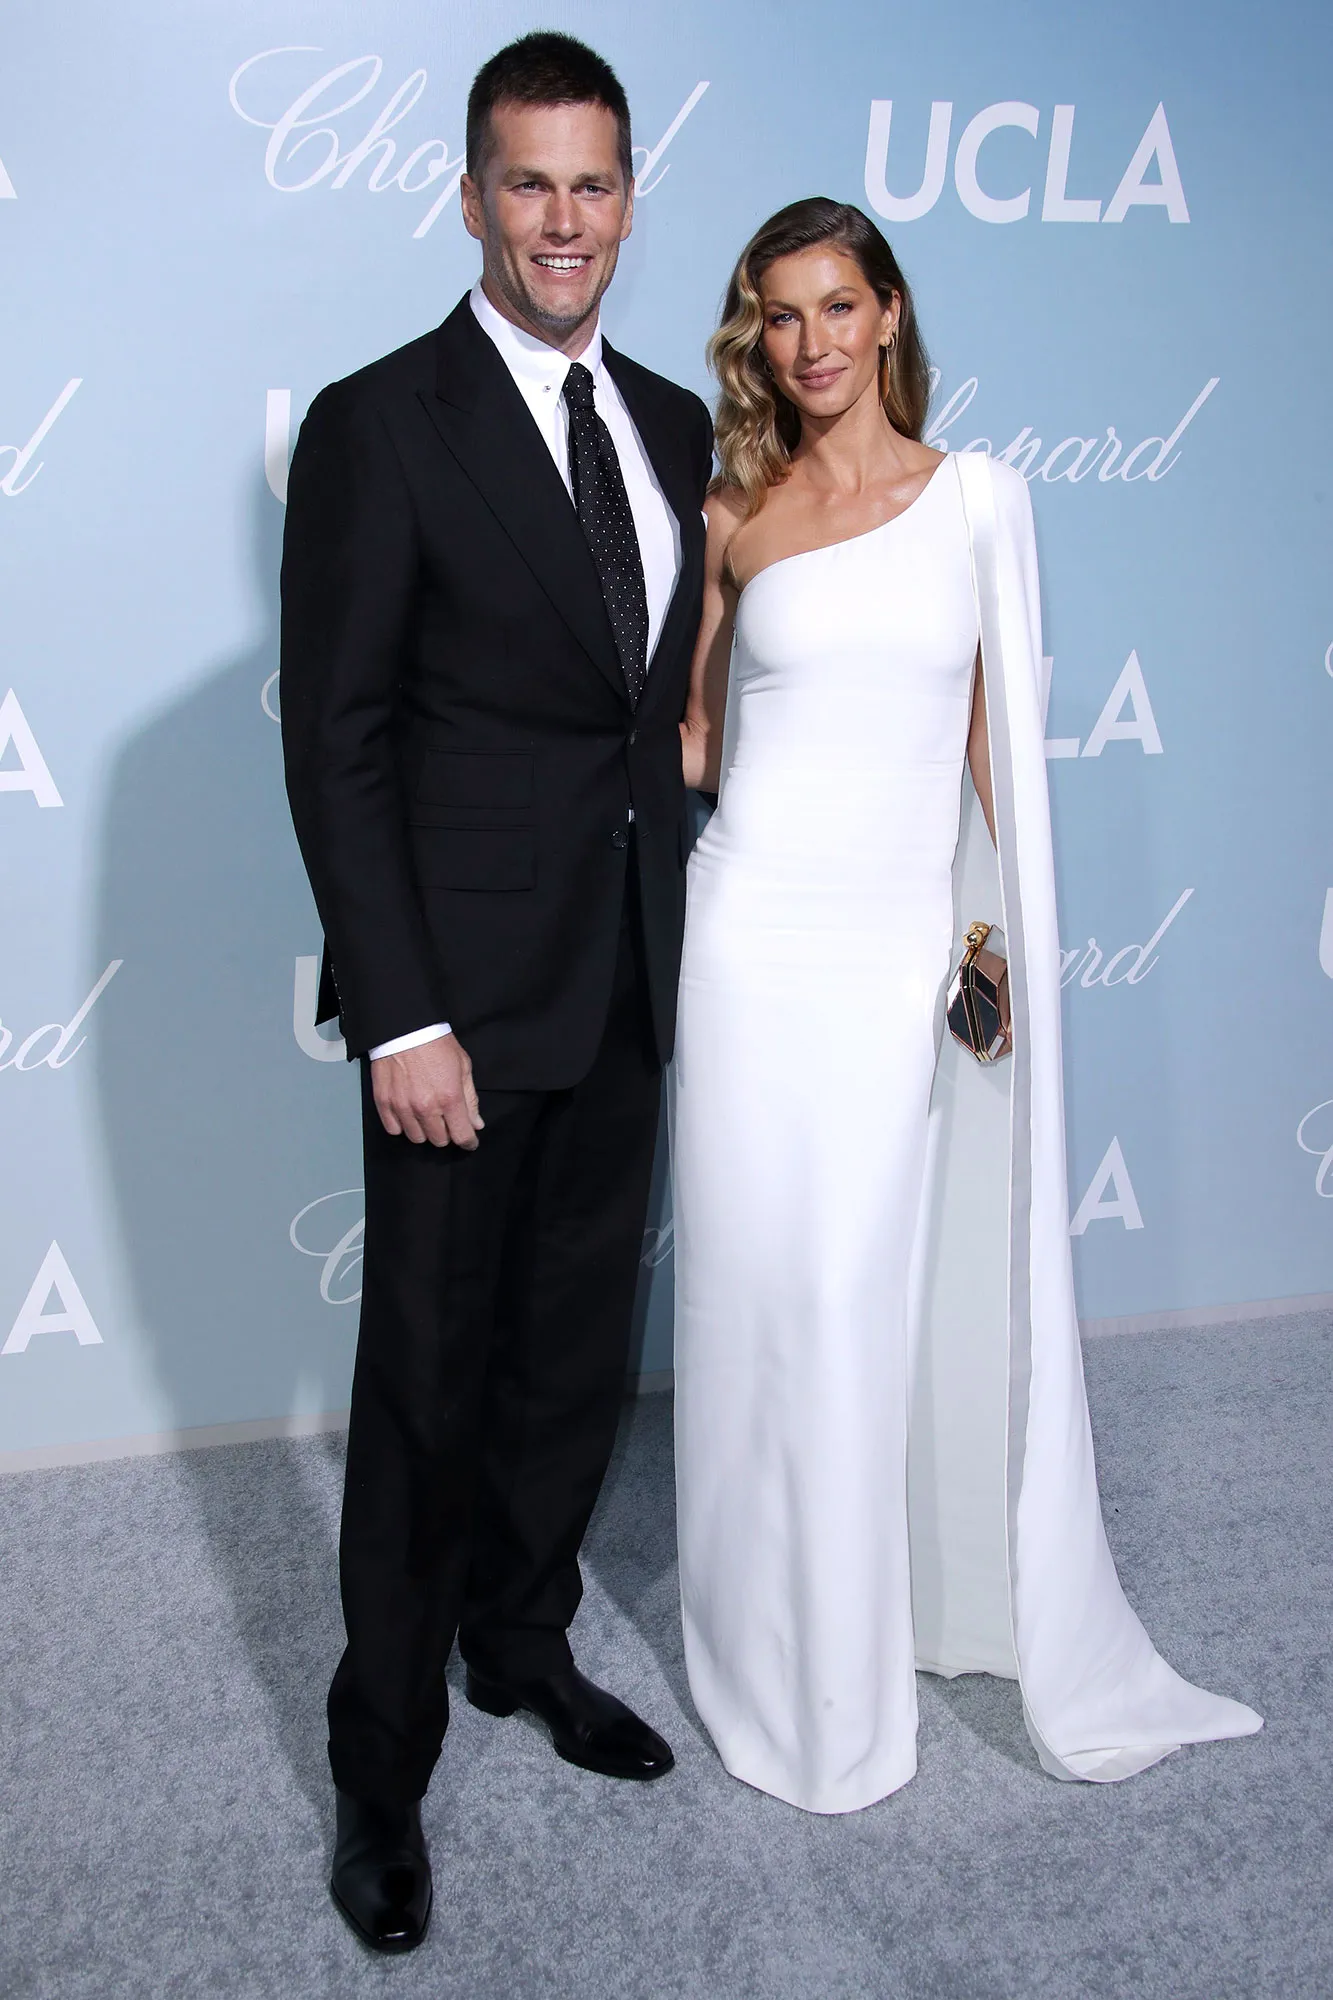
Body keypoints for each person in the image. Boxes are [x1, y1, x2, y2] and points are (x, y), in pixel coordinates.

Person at [671, 198, 1261, 1815]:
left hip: (884, 953)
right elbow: (699, 745)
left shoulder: (981, 502)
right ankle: (763, 1649)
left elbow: (1001, 759)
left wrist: (989, 943)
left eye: (838, 306)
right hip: (745, 943)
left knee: (856, 1296)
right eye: (781, 317)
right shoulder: (736, 512)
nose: (812, 344)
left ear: (889, 312)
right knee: (752, 1303)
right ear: (759, 336)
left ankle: (867, 1655)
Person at [280, 33, 712, 1948]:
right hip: (455, 1012)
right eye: (528, 183)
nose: (565, 219)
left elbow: (661, 720)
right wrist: (401, 1014)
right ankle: (379, 1758)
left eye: (595, 183)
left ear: (630, 198)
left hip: (628, 982)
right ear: (470, 197)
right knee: (423, 1391)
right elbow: (340, 741)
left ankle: (520, 1644)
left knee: (565, 1369)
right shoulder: (385, 424)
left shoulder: (685, 430)